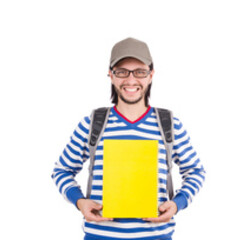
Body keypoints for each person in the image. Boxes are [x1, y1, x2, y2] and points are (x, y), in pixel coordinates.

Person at [51, 37, 208, 239]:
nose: (131, 80)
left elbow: (195, 170)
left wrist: (178, 203)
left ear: (151, 75)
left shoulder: (169, 124)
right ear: (111, 75)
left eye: (140, 72)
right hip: (100, 235)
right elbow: (61, 170)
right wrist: (80, 201)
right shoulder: (92, 123)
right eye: (122, 72)